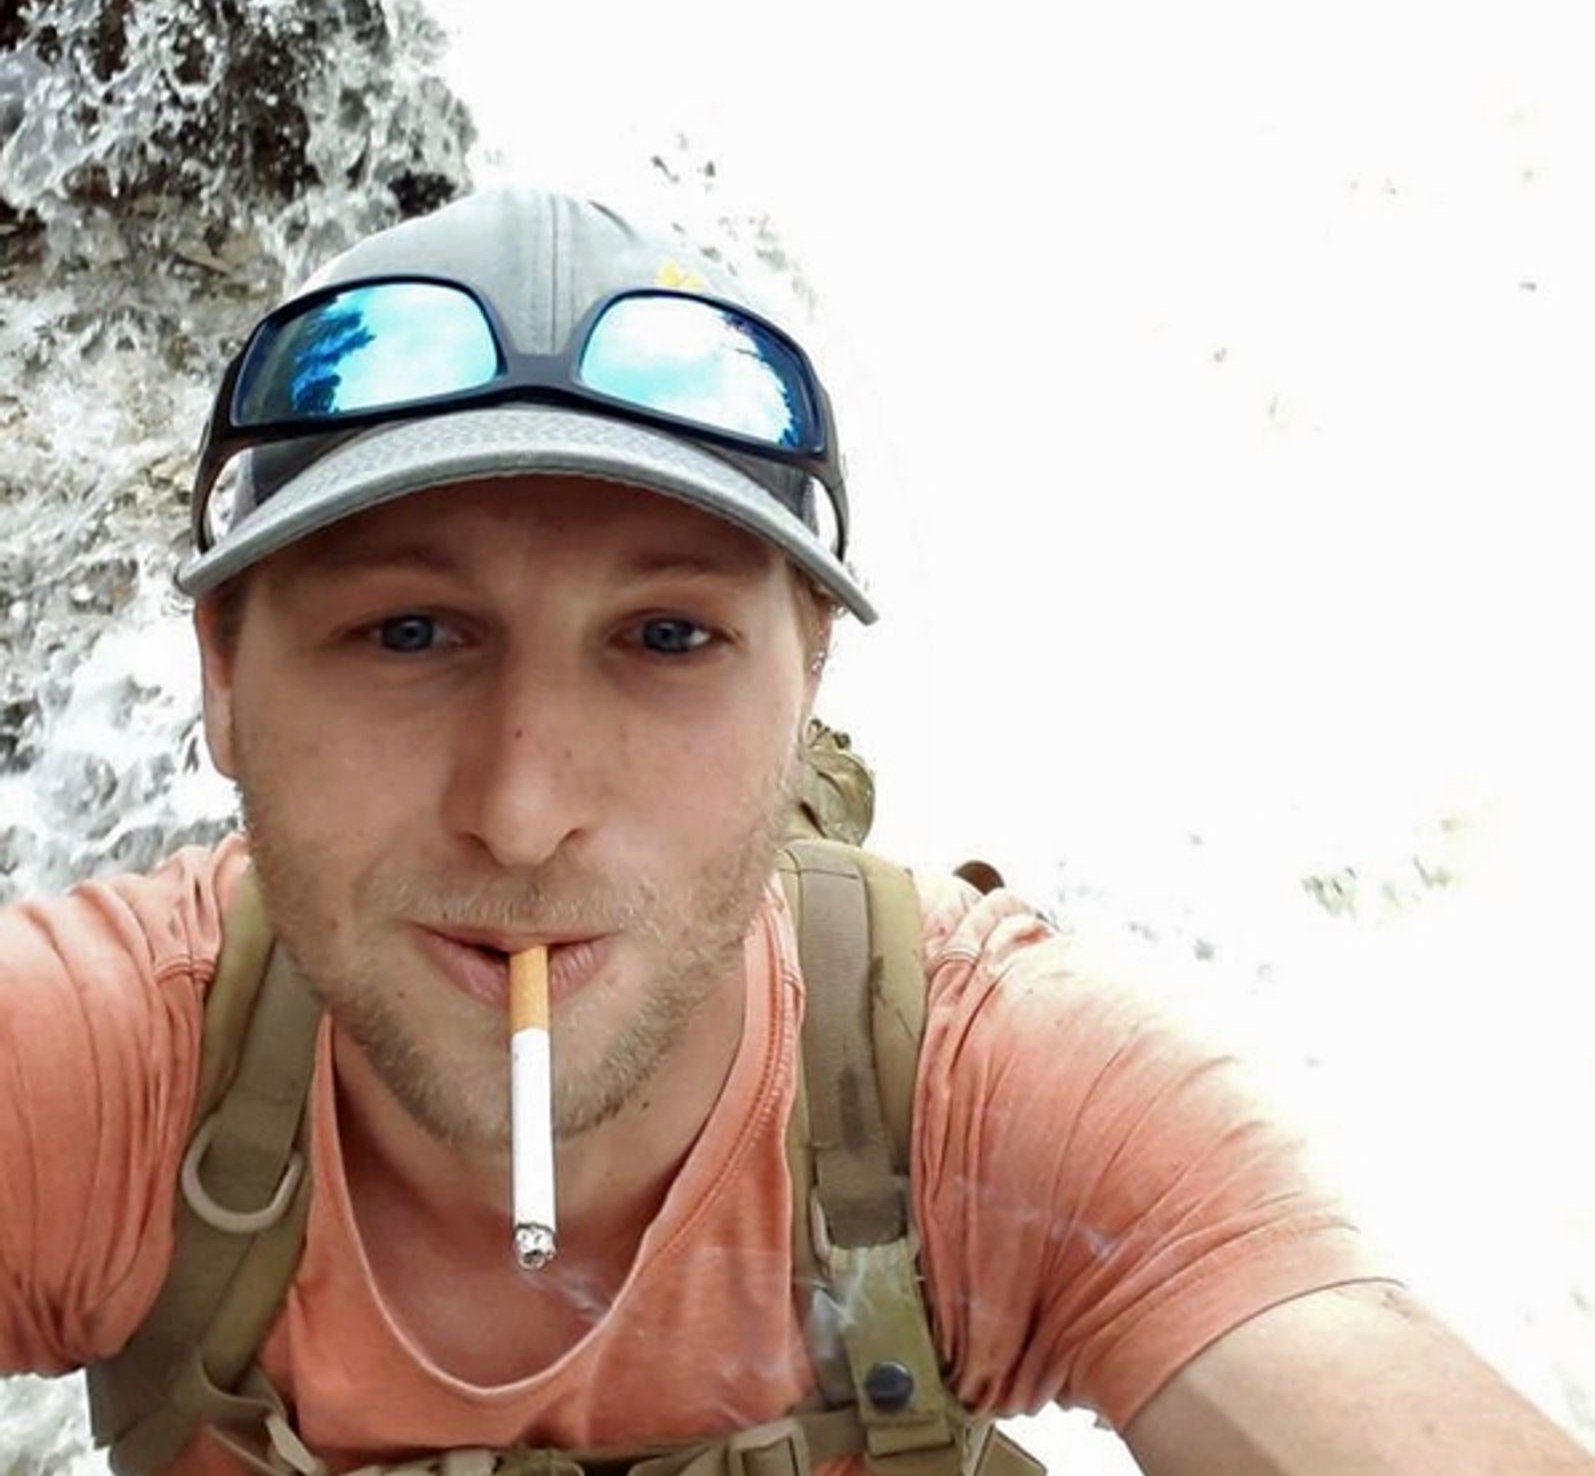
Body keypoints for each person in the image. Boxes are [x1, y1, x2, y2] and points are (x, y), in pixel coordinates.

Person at [0, 184, 1589, 1476]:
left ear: (806, 686)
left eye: (666, 639)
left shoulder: (988, 1096)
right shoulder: (103, 1072)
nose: (523, 815)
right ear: (222, 676)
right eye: (409, 634)